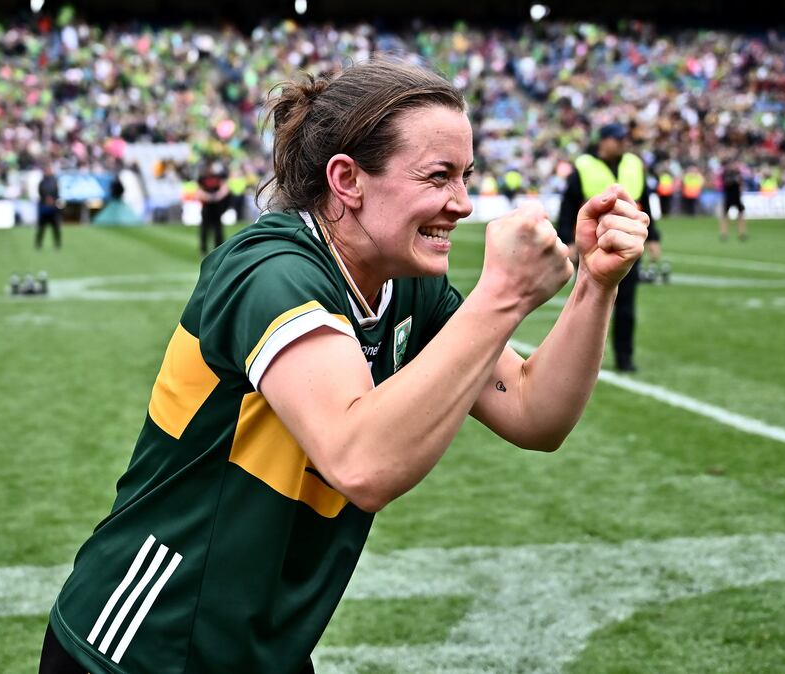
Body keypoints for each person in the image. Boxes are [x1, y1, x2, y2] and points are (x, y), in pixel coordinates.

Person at [41, 59, 648, 674]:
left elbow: (532, 412)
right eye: (439, 176)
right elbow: (361, 461)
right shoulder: (273, 273)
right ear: (347, 179)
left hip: (265, 648)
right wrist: (503, 297)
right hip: (146, 646)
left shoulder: (406, 286)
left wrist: (595, 286)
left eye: (467, 176)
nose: (462, 204)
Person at [557, 122, 660, 373]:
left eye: (625, 138)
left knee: (626, 307)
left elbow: (643, 201)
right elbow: (568, 206)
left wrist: (654, 236)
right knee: (586, 305)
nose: (624, 142)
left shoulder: (634, 164)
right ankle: (578, 360)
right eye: (618, 138)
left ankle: (624, 358)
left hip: (627, 247)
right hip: (593, 247)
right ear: (603, 141)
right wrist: (567, 240)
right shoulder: (583, 167)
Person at [196, 160, 230, 255]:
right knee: (204, 229)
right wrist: (208, 197)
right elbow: (198, 191)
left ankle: (219, 248)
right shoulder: (202, 178)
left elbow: (225, 188)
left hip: (216, 207)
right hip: (206, 207)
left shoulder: (218, 177)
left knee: (218, 229)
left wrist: (217, 196)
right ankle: (203, 249)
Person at [718, 161, 747, 241]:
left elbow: (741, 184)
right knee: (725, 216)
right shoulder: (725, 174)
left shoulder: (738, 173)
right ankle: (723, 234)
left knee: (741, 215)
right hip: (729, 198)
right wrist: (735, 181)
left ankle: (741, 233)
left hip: (737, 197)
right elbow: (727, 183)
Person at [35, 162, 62, 250]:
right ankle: (38, 243)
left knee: (56, 227)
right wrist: (46, 199)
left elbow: (57, 192)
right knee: (41, 228)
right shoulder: (42, 182)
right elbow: (40, 192)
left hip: (53, 208)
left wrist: (53, 199)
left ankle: (57, 243)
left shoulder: (55, 181)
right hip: (44, 207)